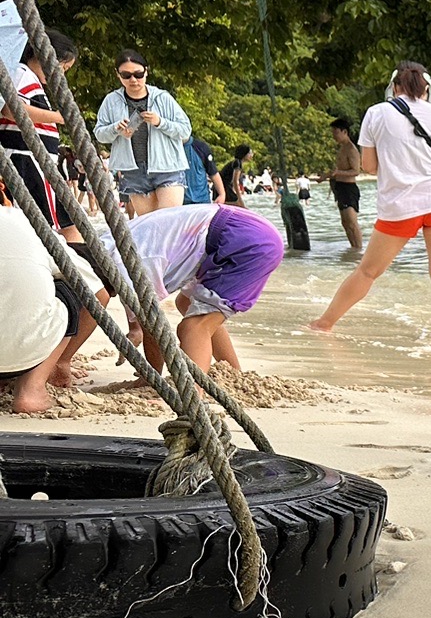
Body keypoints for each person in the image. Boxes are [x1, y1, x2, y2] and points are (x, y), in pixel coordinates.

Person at [309, 62, 431, 338]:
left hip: (401, 205)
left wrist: (397, 165)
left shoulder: (376, 113)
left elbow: (368, 165)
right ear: (427, 88)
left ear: (393, 87)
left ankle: (324, 323)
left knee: (368, 271)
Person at [123, 202, 284, 371]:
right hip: (245, 231)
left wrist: (150, 376)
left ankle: (193, 394)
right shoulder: (122, 242)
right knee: (185, 303)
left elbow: (149, 316)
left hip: (244, 240)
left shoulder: (125, 261)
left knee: (194, 327)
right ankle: (233, 373)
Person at [0, 205, 92, 413]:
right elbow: (90, 284)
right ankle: (31, 389)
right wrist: (63, 361)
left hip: (18, 354)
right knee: (70, 286)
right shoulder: (24, 219)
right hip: (25, 352)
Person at [1, 26, 78, 238]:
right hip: (26, 161)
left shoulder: (27, 77)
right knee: (51, 228)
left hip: (39, 163)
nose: (61, 74)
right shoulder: (21, 73)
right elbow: (10, 109)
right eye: (63, 67)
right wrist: (57, 117)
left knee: (66, 225)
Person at [94, 49, 192, 215]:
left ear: (146, 72)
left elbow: (185, 130)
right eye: (126, 75)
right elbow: (99, 133)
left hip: (167, 166)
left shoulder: (162, 97)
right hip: (133, 170)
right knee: (149, 226)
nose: (133, 80)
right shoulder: (111, 101)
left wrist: (160, 122)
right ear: (118, 75)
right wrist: (116, 129)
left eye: (138, 74)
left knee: (169, 220)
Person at [327, 117, 364, 253]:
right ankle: (353, 248)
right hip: (340, 188)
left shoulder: (351, 149)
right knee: (345, 223)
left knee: (352, 222)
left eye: (336, 132)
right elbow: (338, 170)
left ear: (344, 132)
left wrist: (338, 172)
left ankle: (359, 249)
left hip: (349, 189)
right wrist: (325, 176)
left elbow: (356, 171)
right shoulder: (342, 148)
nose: (334, 136)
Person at [181, 134, 224, 205]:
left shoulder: (201, 147)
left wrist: (221, 194)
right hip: (179, 202)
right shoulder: (167, 148)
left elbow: (213, 172)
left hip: (202, 201)